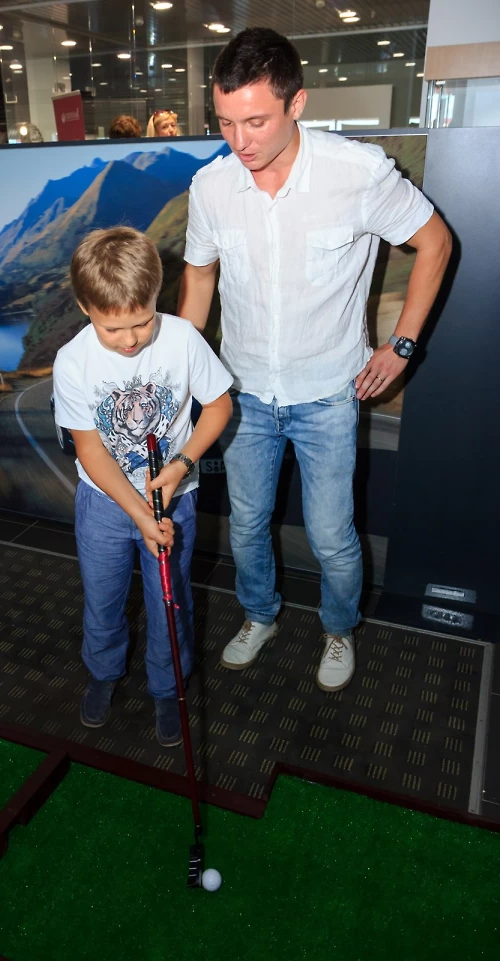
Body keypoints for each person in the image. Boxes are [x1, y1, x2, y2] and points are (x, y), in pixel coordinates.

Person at [177, 28, 452, 693]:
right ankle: (259, 616)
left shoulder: (357, 173)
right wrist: (179, 369)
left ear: (296, 103)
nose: (239, 141)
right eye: (225, 122)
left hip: (329, 392)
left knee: (331, 535)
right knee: (247, 527)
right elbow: (200, 279)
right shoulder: (211, 187)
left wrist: (402, 345)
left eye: (255, 121)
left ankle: (338, 628)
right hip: (244, 393)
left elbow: (436, 242)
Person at [52, 227, 232, 746]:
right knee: (103, 600)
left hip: (175, 499)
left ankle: (168, 687)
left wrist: (181, 464)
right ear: (85, 307)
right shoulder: (73, 361)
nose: (130, 339)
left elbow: (218, 406)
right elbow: (90, 451)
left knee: (170, 602)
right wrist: (138, 514)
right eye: (113, 328)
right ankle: (104, 673)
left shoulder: (182, 338)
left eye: (143, 321)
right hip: (105, 504)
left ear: (157, 296)